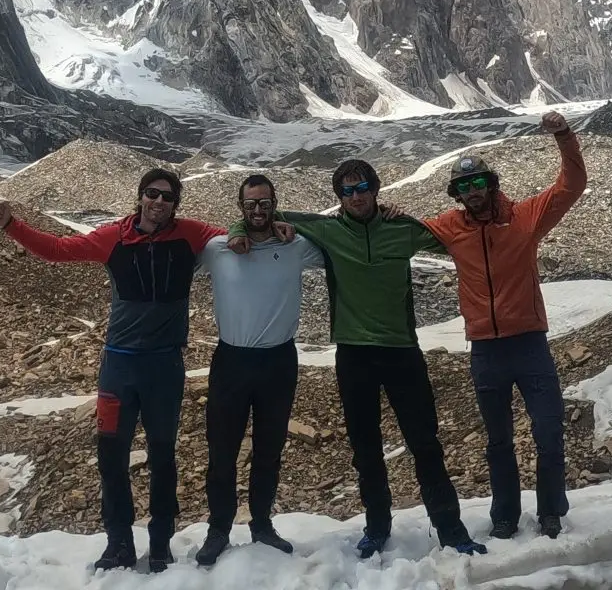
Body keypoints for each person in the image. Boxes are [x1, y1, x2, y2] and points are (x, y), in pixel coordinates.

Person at [0, 168, 290, 574]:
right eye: (152, 194)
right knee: (111, 457)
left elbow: (240, 229)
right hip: (119, 366)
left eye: (167, 197)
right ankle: (119, 544)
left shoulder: (190, 233)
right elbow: (58, 249)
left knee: (163, 458)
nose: (159, 202)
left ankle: (161, 544)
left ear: (175, 204)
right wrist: (11, 225)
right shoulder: (113, 237)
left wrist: (278, 223)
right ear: (141, 196)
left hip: (164, 366)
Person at [227, 160, 487, 559]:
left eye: (362, 187)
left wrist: (411, 213)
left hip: (402, 350)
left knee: (425, 444)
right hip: (353, 354)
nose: (356, 196)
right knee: (365, 448)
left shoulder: (402, 229)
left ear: (376, 189)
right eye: (347, 191)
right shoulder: (328, 230)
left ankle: (450, 529)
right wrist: (238, 229)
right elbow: (261, 214)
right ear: (339, 197)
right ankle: (377, 527)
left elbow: (457, 234)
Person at [417, 110, 586, 540]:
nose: (472, 193)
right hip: (486, 351)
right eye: (463, 187)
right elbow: (401, 233)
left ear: (491, 184)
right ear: (457, 194)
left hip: (529, 343)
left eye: (478, 184)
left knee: (549, 432)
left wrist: (564, 136)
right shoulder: (450, 227)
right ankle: (504, 516)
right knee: (498, 443)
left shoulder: (525, 218)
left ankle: (551, 509)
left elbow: (571, 186)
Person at [192, 174, 325, 568]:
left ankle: (262, 523)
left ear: (275, 204)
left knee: (269, 449)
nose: (257, 210)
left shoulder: (295, 245)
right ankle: (219, 529)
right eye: (250, 204)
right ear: (240, 208)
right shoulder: (218, 249)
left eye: (265, 203)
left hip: (278, 361)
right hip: (231, 360)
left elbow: (337, 232)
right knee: (222, 450)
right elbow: (176, 248)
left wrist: (293, 222)